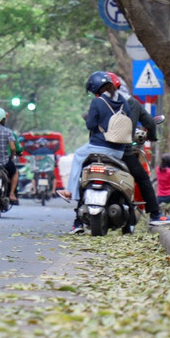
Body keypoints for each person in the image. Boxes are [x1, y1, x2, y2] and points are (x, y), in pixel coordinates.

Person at [59, 71, 136, 233]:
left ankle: (70, 191)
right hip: (118, 151)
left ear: (96, 89)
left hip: (98, 147)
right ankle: (130, 219)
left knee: (78, 155)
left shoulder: (97, 102)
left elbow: (91, 125)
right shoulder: (124, 102)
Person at [107, 72, 170, 225]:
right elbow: (149, 122)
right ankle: (155, 214)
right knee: (143, 178)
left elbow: (90, 121)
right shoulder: (132, 103)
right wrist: (153, 137)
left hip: (99, 150)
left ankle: (77, 220)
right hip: (124, 151)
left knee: (83, 173)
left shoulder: (100, 103)